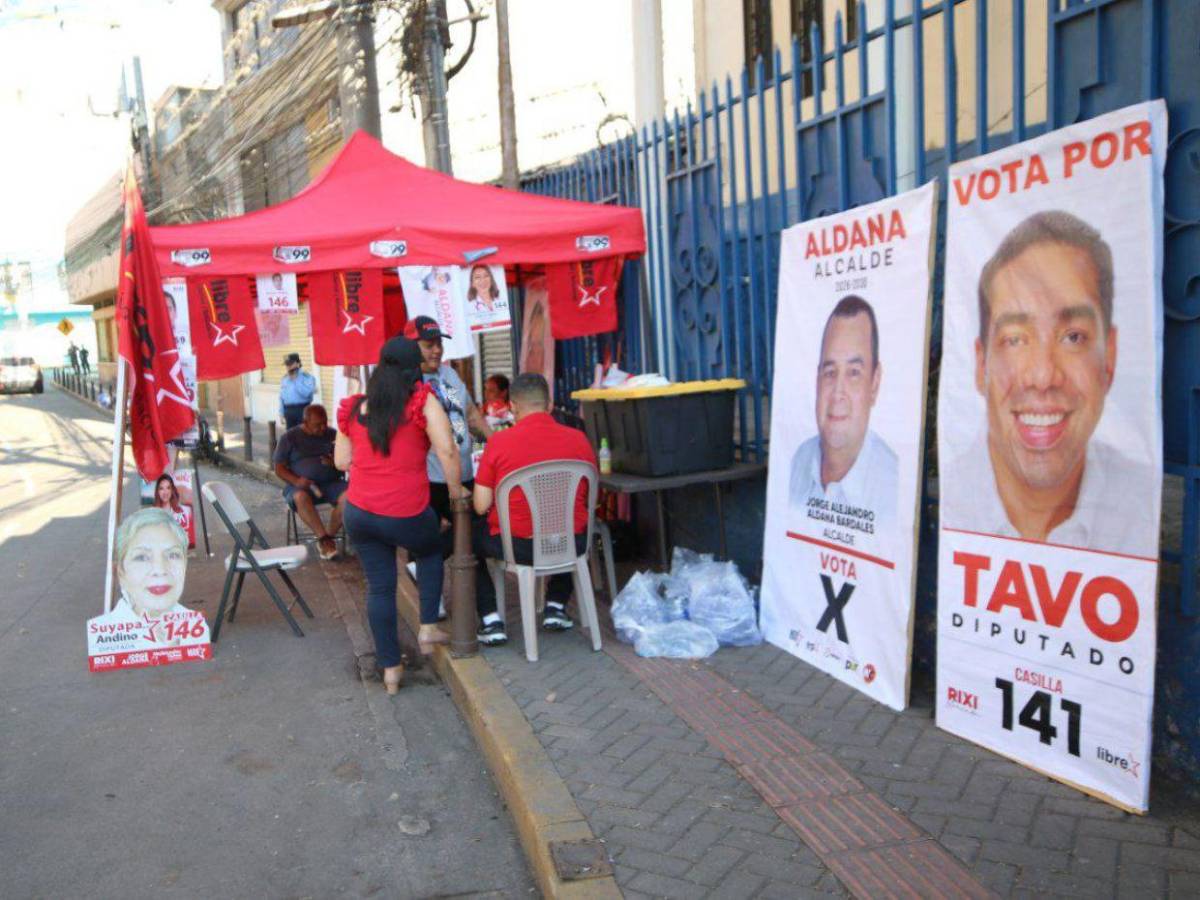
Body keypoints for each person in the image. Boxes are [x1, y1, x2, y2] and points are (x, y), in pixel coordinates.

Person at [942, 210, 1156, 555]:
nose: (1042, 377)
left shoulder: (1141, 502)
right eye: (1015, 339)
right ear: (981, 364)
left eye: (1072, 337)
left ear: (1110, 356)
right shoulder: (950, 492)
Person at [335, 335, 466, 694]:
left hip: (360, 513)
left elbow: (341, 461)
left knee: (380, 588)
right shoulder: (422, 402)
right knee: (431, 547)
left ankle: (390, 670)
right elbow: (448, 451)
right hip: (406, 512)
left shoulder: (354, 407)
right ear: (414, 370)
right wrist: (455, 493)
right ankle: (427, 626)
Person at [471, 373, 597, 645]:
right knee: (565, 519)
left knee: (468, 538)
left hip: (518, 547)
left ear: (513, 406)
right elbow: (586, 499)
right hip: (572, 544)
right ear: (549, 404)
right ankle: (556, 605)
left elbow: (480, 506)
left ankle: (491, 619)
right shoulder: (579, 439)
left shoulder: (499, 443)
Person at [789, 295, 898, 534]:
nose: (838, 392)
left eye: (854, 373)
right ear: (817, 379)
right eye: (830, 372)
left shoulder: (895, 486)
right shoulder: (798, 462)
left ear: (875, 383)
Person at [406, 315, 493, 525]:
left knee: (470, 542)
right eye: (429, 345)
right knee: (434, 545)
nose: (437, 350)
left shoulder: (448, 374)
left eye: (439, 344)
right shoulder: (407, 383)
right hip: (431, 481)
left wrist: (493, 445)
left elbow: (469, 414)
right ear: (411, 348)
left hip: (465, 473)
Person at [274, 403, 347, 561]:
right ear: (305, 422)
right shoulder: (289, 438)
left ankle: (327, 538)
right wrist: (297, 480)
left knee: (353, 496)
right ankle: (324, 540)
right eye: (317, 425)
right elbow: (279, 468)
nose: (322, 428)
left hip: (331, 484)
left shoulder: (332, 434)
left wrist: (334, 463)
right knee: (300, 497)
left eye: (324, 423)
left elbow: (344, 464)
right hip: (301, 486)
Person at [115, 507, 189, 620]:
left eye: (173, 555)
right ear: (121, 573)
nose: (160, 570)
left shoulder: (197, 627)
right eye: (142, 557)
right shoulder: (104, 634)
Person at [279, 352, 317, 429]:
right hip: (288, 411)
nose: (288, 367)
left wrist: (295, 380)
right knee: (290, 437)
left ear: (298, 363)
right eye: (286, 365)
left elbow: (306, 394)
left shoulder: (307, 377)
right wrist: (281, 412)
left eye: (290, 364)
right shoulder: (285, 379)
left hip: (302, 410)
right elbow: (282, 397)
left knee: (303, 436)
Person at [153, 472, 193, 541]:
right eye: (161, 488)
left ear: (172, 490)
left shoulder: (185, 510)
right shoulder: (153, 514)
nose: (165, 492)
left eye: (168, 488)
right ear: (157, 491)